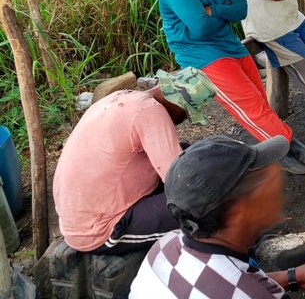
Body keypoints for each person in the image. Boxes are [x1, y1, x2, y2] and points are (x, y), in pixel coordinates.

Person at [158, 0, 305, 174]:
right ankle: (289, 148)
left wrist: (214, 10)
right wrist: (221, 13)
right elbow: (199, 28)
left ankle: (278, 146)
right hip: (202, 56)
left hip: (230, 45)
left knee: (258, 100)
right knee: (250, 105)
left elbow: (242, 9)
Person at [130, 136, 305, 299]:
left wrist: (294, 276)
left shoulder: (167, 243)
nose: (279, 185)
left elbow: (225, 283)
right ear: (240, 212)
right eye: (266, 181)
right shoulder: (252, 294)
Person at [53, 67, 216, 254]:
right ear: (179, 105)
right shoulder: (151, 112)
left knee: (188, 153)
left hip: (82, 215)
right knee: (205, 209)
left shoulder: (122, 98)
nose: (183, 120)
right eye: (187, 115)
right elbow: (179, 182)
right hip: (101, 230)